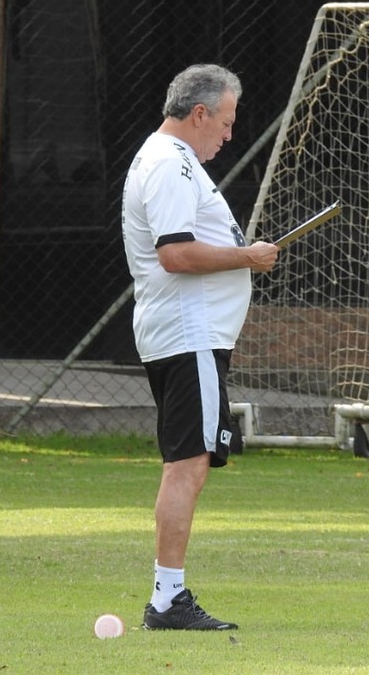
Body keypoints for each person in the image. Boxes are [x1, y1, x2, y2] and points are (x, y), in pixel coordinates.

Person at [121, 64, 279, 631]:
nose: (229, 135)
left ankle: (168, 596)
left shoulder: (173, 160)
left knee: (188, 463)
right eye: (227, 123)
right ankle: (167, 600)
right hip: (188, 334)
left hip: (189, 335)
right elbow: (177, 254)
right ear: (200, 114)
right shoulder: (169, 163)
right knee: (187, 464)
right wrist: (248, 256)